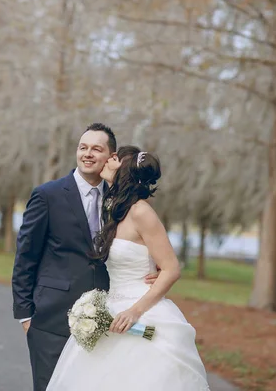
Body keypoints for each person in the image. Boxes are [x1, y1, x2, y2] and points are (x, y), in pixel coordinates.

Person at [46, 146, 210, 391]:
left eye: (113, 158)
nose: (107, 160)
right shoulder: (116, 209)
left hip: (140, 312)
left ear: (123, 171)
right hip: (112, 307)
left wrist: (134, 312)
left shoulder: (141, 212)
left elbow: (171, 268)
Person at [11, 124, 159, 391]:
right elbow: (25, 257)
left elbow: (142, 242)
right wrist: (25, 316)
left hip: (105, 320)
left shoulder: (119, 202)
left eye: (96, 149)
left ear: (111, 157)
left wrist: (153, 268)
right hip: (51, 320)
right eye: (83, 147)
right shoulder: (48, 195)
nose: (87, 154)